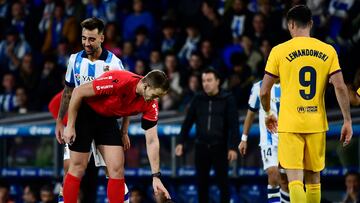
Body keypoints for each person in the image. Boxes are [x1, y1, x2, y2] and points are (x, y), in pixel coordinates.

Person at [259, 5, 352, 203]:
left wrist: (268, 113)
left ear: (290, 24)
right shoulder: (328, 50)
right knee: (314, 179)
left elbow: (264, 90)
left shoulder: (279, 51)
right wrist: (347, 120)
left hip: (290, 124)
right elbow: (341, 87)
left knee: (294, 180)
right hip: (316, 123)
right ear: (310, 23)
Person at [63, 69, 171, 203]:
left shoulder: (150, 102)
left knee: (117, 169)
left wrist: (156, 176)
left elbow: (152, 140)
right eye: (155, 95)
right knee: (77, 167)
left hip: (108, 119)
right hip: (86, 113)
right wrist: (70, 125)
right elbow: (78, 92)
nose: (155, 100)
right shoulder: (119, 80)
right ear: (145, 86)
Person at [53, 17, 130, 203]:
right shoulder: (74, 60)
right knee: (74, 168)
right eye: (84, 38)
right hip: (82, 118)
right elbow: (68, 91)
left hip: (106, 119)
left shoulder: (114, 64)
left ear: (102, 38)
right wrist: (60, 121)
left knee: (116, 169)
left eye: (91, 39)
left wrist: (124, 130)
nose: (87, 43)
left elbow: (127, 98)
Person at [175, 68, 239, 203]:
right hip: (201, 147)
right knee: (201, 184)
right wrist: (180, 142)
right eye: (203, 81)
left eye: (209, 80)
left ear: (218, 82)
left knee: (223, 184)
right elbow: (187, 122)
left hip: (220, 148)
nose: (206, 84)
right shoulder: (198, 98)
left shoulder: (228, 99)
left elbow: (234, 126)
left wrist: (233, 147)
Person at [238, 80, 290, 203]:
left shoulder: (290, 82)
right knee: (273, 173)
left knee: (285, 181)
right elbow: (250, 114)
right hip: (269, 140)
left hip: (289, 139)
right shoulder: (259, 87)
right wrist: (244, 139)